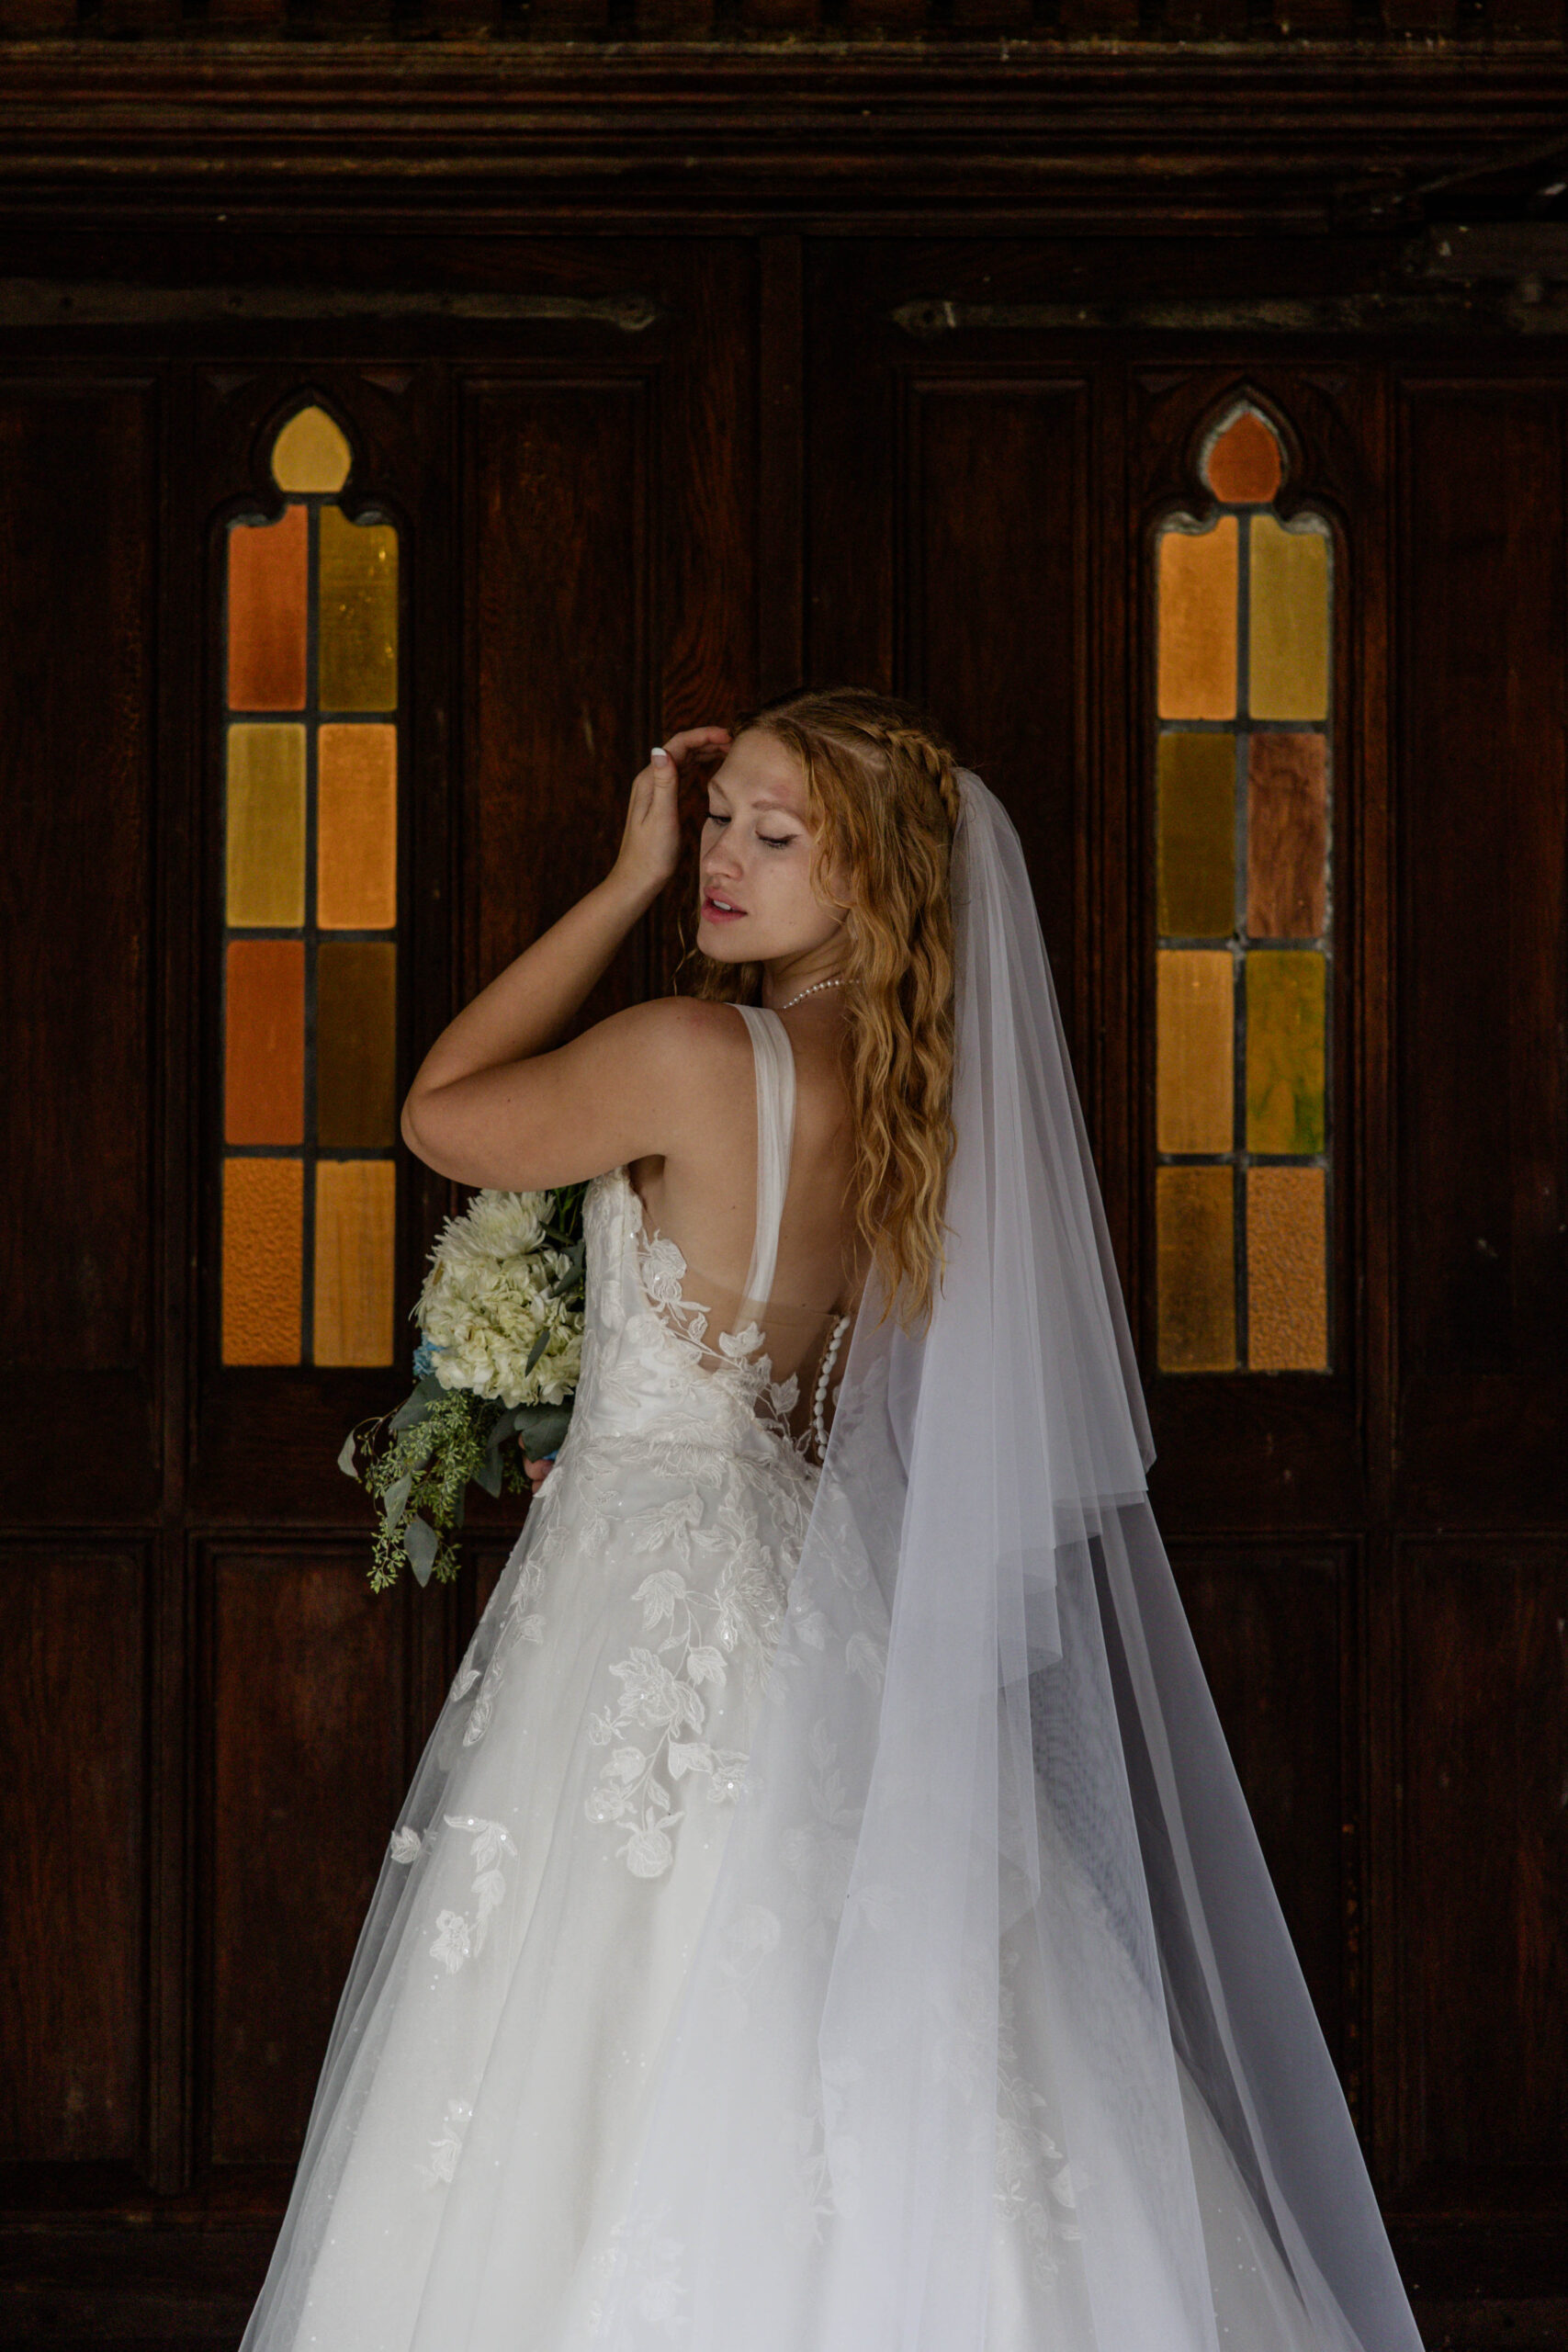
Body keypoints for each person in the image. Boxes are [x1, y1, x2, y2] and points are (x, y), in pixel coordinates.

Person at [238, 689, 1425, 2352]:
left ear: (872, 879)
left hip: (654, 1598)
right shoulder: (920, 1104)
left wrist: (620, 883)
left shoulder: (691, 1052)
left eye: (771, 837)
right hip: (805, 1587)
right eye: (717, 824)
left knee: (603, 2019)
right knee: (857, 2015)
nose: (723, 859)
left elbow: (444, 1107)